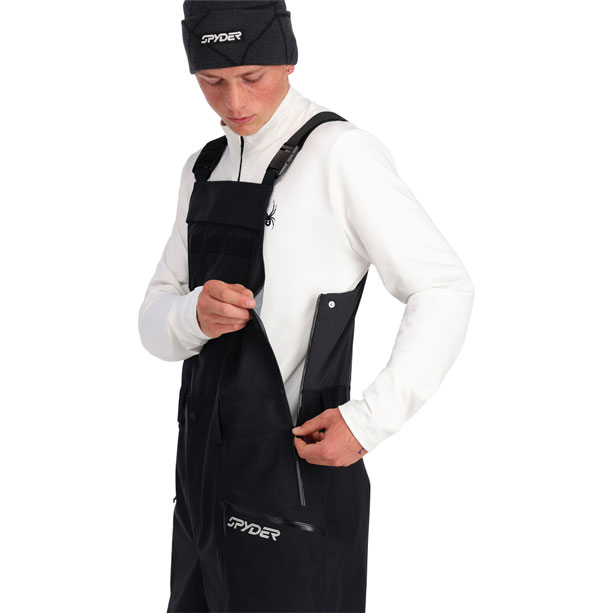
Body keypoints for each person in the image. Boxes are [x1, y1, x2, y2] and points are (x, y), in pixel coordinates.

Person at [138, 2, 475, 611]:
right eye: (212, 81)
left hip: (295, 476)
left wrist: (369, 422)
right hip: (199, 485)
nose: (234, 101)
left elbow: (443, 287)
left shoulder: (341, 154)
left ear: (288, 60)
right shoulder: (203, 168)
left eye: (253, 76)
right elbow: (154, 321)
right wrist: (192, 315)